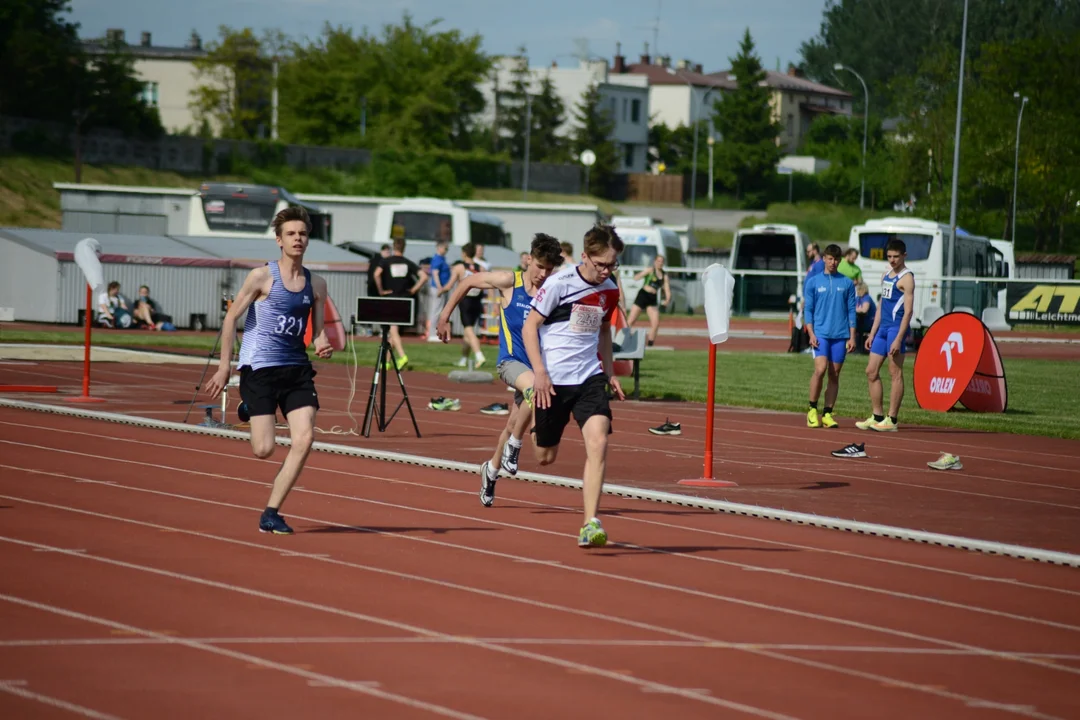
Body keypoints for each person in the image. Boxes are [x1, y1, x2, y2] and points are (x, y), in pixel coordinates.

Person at [203, 206, 334, 535]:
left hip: (296, 370)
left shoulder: (316, 283)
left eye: (302, 234)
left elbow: (316, 330)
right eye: (291, 234)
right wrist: (224, 369)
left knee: (305, 439)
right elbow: (231, 318)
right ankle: (247, 406)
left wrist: (321, 343)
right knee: (264, 450)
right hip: (259, 369)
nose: (298, 239)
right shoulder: (262, 276)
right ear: (279, 240)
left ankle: (271, 512)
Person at [436, 234, 565, 506]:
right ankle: (514, 448)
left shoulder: (552, 290)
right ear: (529, 260)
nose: (543, 274)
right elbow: (468, 281)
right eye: (539, 266)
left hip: (536, 367)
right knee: (535, 392)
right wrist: (445, 315)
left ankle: (491, 470)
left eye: (549, 269)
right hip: (509, 363)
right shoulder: (509, 281)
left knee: (511, 424)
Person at [523, 224, 625, 548]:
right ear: (585, 256)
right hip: (551, 381)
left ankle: (589, 523)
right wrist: (538, 372)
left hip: (588, 377)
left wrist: (608, 373)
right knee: (544, 456)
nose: (607, 271)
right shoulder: (558, 284)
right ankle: (536, 425)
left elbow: (605, 331)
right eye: (601, 264)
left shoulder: (610, 289)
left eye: (612, 264)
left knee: (598, 441)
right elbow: (529, 327)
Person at [857, 238, 914, 433]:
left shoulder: (907, 278)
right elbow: (881, 305)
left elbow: (908, 312)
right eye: (889, 256)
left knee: (894, 373)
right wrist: (871, 333)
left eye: (896, 257)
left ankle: (892, 419)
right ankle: (877, 415)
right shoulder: (886, 275)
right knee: (871, 371)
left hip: (895, 329)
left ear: (904, 255)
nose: (892, 260)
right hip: (882, 330)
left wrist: (899, 338)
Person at [803, 244, 857, 429]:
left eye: (836, 259)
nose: (833, 262)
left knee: (834, 375)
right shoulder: (814, 282)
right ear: (824, 258)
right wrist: (811, 333)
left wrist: (852, 336)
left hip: (840, 335)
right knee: (820, 370)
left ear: (839, 261)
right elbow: (808, 310)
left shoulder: (847, 283)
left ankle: (827, 413)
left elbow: (851, 311)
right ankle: (811, 409)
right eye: (830, 259)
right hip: (820, 334)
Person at [373, 237, 428, 370]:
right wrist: (414, 289)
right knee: (392, 332)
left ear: (394, 247)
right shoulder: (408, 263)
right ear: (404, 248)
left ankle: (403, 356)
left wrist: (381, 290)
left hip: (391, 298)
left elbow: (376, 274)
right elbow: (424, 276)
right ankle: (386, 362)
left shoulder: (386, 261)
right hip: (404, 300)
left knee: (393, 330)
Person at [444, 243, 487, 368]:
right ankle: (464, 359)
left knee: (468, 329)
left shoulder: (459, 267)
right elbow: (489, 285)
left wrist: (441, 291)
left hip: (466, 302)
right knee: (467, 332)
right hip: (477, 302)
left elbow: (449, 285)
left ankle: (479, 355)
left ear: (464, 253)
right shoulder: (481, 268)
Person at [625, 254, 671, 347]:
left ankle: (650, 343)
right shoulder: (650, 271)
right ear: (654, 262)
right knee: (631, 320)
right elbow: (636, 277)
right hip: (643, 296)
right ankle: (624, 339)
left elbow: (667, 290)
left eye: (662, 261)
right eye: (658, 261)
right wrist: (643, 273)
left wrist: (667, 300)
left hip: (652, 299)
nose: (660, 263)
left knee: (656, 322)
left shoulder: (664, 276)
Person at [426, 240, 452, 342]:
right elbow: (435, 274)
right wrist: (439, 287)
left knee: (440, 310)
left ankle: (438, 333)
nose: (446, 251)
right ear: (439, 248)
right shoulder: (437, 259)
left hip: (442, 288)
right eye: (445, 248)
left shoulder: (442, 258)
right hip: (438, 288)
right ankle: (432, 334)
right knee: (436, 310)